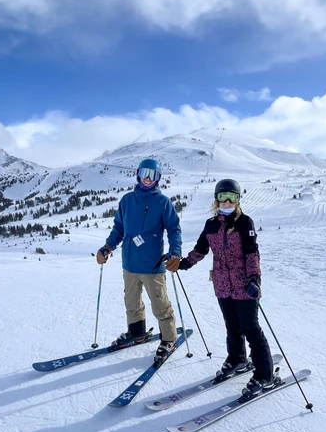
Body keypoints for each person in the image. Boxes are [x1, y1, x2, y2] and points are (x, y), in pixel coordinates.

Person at [168, 178, 280, 398]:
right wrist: (183, 264)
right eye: (222, 197)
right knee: (232, 326)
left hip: (244, 285)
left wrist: (255, 279)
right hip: (222, 285)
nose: (227, 202)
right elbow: (200, 249)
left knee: (251, 329)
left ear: (238, 200)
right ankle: (237, 359)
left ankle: (265, 375)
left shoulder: (245, 222)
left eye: (232, 197)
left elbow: (252, 253)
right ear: (216, 199)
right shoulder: (211, 225)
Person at [96, 158, 182, 363]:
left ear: (158, 178)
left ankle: (169, 338)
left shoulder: (163, 203)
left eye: (153, 175)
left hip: (153, 265)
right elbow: (119, 228)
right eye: (145, 173)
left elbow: (174, 229)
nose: (148, 179)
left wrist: (175, 253)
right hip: (130, 264)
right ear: (138, 174)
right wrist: (107, 247)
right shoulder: (127, 200)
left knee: (160, 304)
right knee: (131, 302)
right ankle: (137, 332)